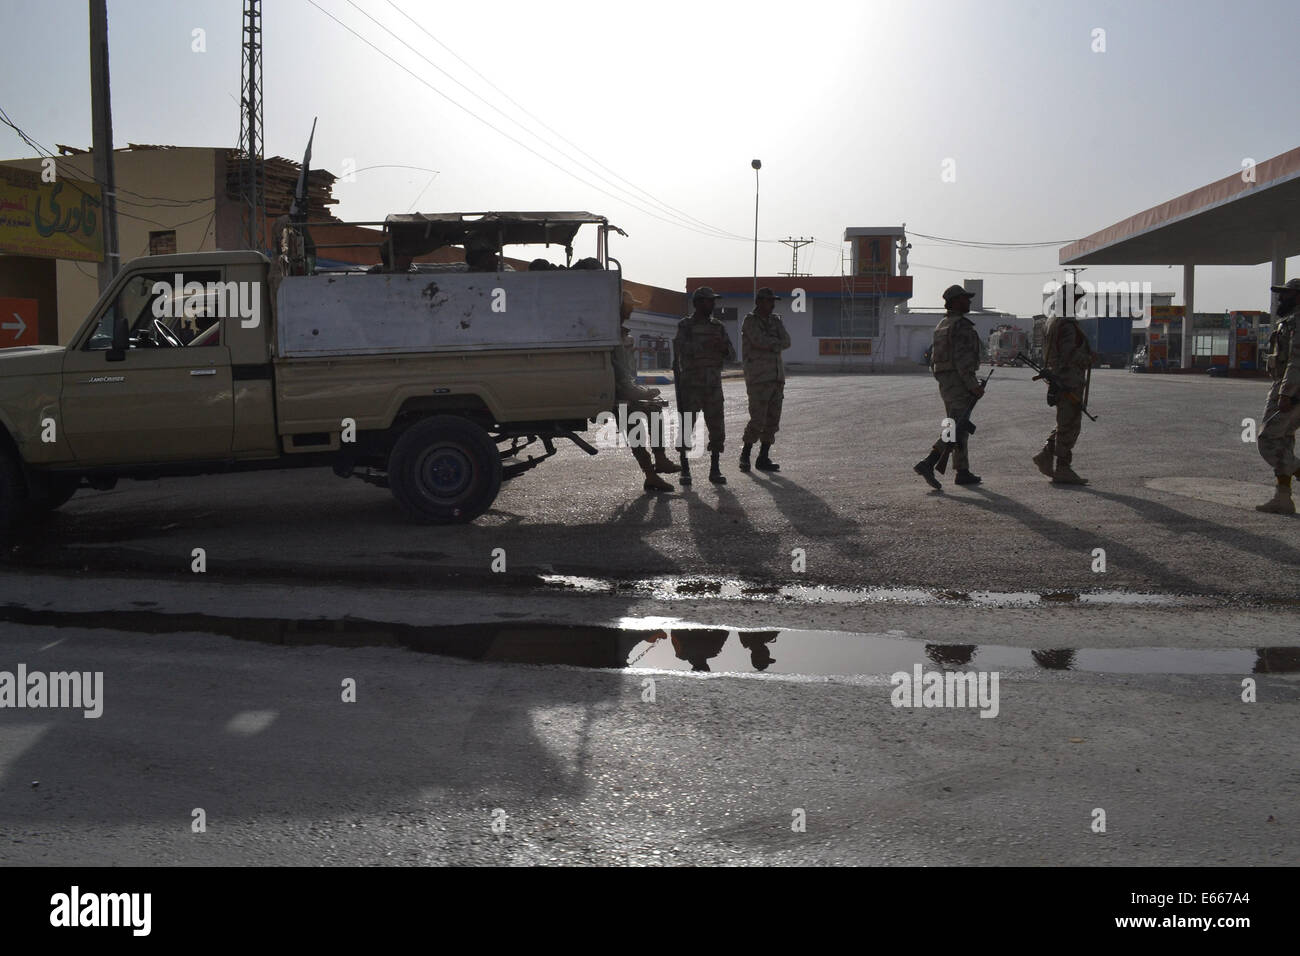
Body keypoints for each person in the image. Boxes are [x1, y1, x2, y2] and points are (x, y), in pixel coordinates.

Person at [913, 284, 983, 489]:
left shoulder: (942, 325)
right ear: (954, 302)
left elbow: (934, 360)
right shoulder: (960, 326)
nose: (969, 301)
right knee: (955, 426)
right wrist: (973, 386)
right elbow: (963, 360)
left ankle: (962, 470)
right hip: (960, 383)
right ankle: (928, 462)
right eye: (965, 298)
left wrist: (945, 381)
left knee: (959, 426)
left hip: (947, 383)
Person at [614, 291, 680, 493]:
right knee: (636, 428)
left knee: (654, 411)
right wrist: (642, 392)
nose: (632, 308)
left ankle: (659, 462)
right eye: (629, 305)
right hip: (618, 394)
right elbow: (620, 376)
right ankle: (651, 475)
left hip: (626, 390)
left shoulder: (622, 334)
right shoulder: (613, 335)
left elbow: (627, 373)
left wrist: (642, 391)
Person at [673, 287, 735, 484]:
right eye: (709, 301)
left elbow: (732, 355)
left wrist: (722, 346)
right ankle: (685, 468)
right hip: (691, 385)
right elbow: (680, 347)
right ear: (698, 303)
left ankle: (715, 468)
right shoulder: (686, 325)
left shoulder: (718, 327)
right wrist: (706, 346)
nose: (713, 304)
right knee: (686, 427)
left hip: (713, 385)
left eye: (713, 301)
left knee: (717, 428)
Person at [1032, 283, 1092, 485]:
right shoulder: (1065, 324)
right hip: (1067, 379)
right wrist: (1087, 357)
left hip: (1059, 378)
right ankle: (1063, 468)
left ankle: (1046, 454)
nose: (1079, 303)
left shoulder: (1052, 321)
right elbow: (1068, 354)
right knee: (1070, 424)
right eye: (1076, 299)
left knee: (1065, 421)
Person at [1255, 277, 1300, 514]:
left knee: (1267, 440)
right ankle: (1283, 498)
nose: (1280, 297)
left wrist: (1286, 394)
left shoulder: (1298, 322)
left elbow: (1297, 361)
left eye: (1287, 293)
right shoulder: (1288, 321)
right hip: (1285, 388)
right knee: (1284, 441)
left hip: (1292, 392)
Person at [739, 287, 792, 472]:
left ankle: (763, 457)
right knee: (757, 419)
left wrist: (772, 343)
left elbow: (787, 341)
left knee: (772, 420)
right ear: (759, 302)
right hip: (758, 378)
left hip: (776, 377)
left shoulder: (775, 320)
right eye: (769, 301)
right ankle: (745, 454)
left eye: (773, 301)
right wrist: (774, 343)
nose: (772, 305)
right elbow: (758, 341)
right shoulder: (750, 321)